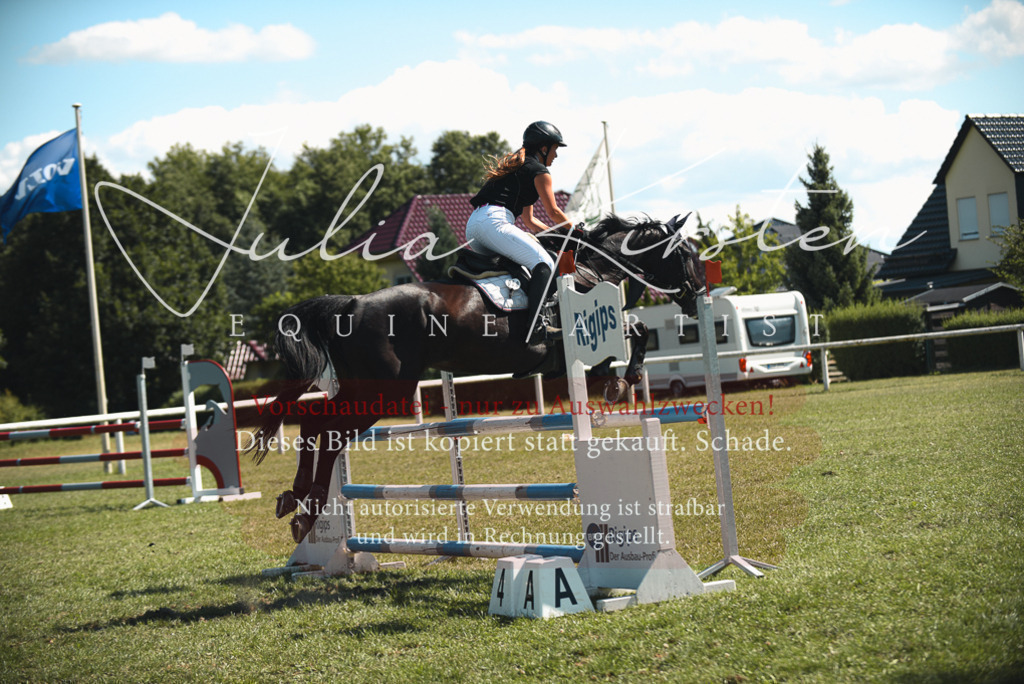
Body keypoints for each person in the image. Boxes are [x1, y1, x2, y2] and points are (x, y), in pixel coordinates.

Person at [466, 121, 572, 343]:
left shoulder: (517, 166)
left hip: (474, 225)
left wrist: (557, 235)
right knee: (546, 264)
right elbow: (553, 212)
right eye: (555, 149)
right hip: (494, 223)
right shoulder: (540, 172)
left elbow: (530, 221)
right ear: (543, 148)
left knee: (523, 266)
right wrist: (575, 231)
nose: (556, 156)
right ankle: (536, 326)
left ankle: (515, 312)